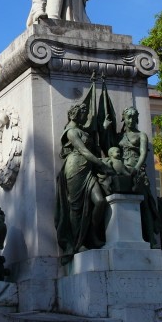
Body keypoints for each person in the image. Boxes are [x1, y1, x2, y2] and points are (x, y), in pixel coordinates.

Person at [54, 102, 113, 263]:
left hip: (88, 169)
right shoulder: (71, 132)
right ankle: (77, 243)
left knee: (100, 202)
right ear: (74, 114)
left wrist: (104, 128)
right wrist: (101, 164)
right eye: (83, 114)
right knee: (76, 208)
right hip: (75, 168)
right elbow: (84, 151)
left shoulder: (82, 131)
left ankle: (91, 235)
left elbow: (94, 147)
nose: (86, 117)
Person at [118, 106, 161, 247]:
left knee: (145, 205)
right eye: (128, 117)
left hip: (137, 170)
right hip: (123, 170)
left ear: (137, 118)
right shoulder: (120, 136)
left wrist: (136, 168)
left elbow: (143, 153)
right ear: (123, 118)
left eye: (133, 117)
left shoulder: (141, 135)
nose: (130, 120)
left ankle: (151, 238)